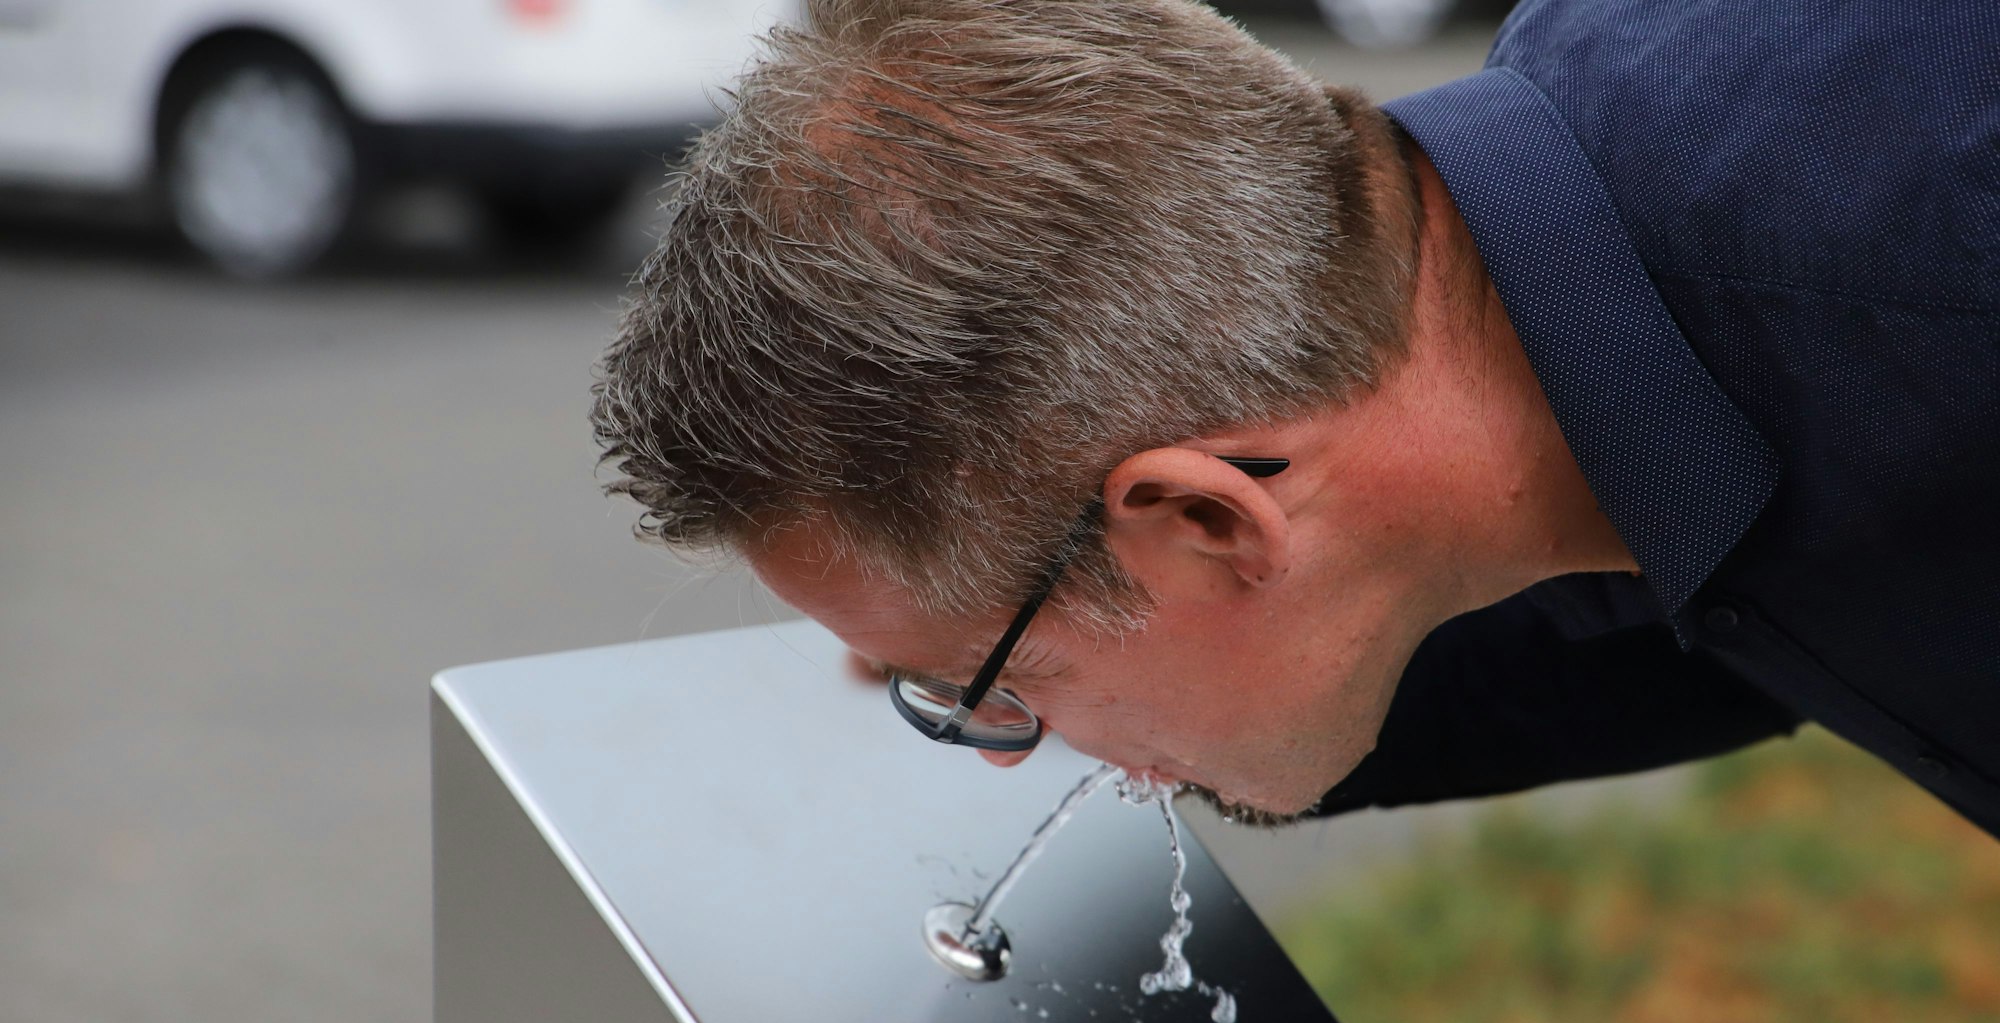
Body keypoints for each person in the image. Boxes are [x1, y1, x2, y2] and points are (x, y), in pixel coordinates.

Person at [591, 0, 1999, 832]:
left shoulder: (1940, 288)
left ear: (1208, 516)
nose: (1021, 744)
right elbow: (1721, 623)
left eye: (994, 686)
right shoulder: (1609, 280)